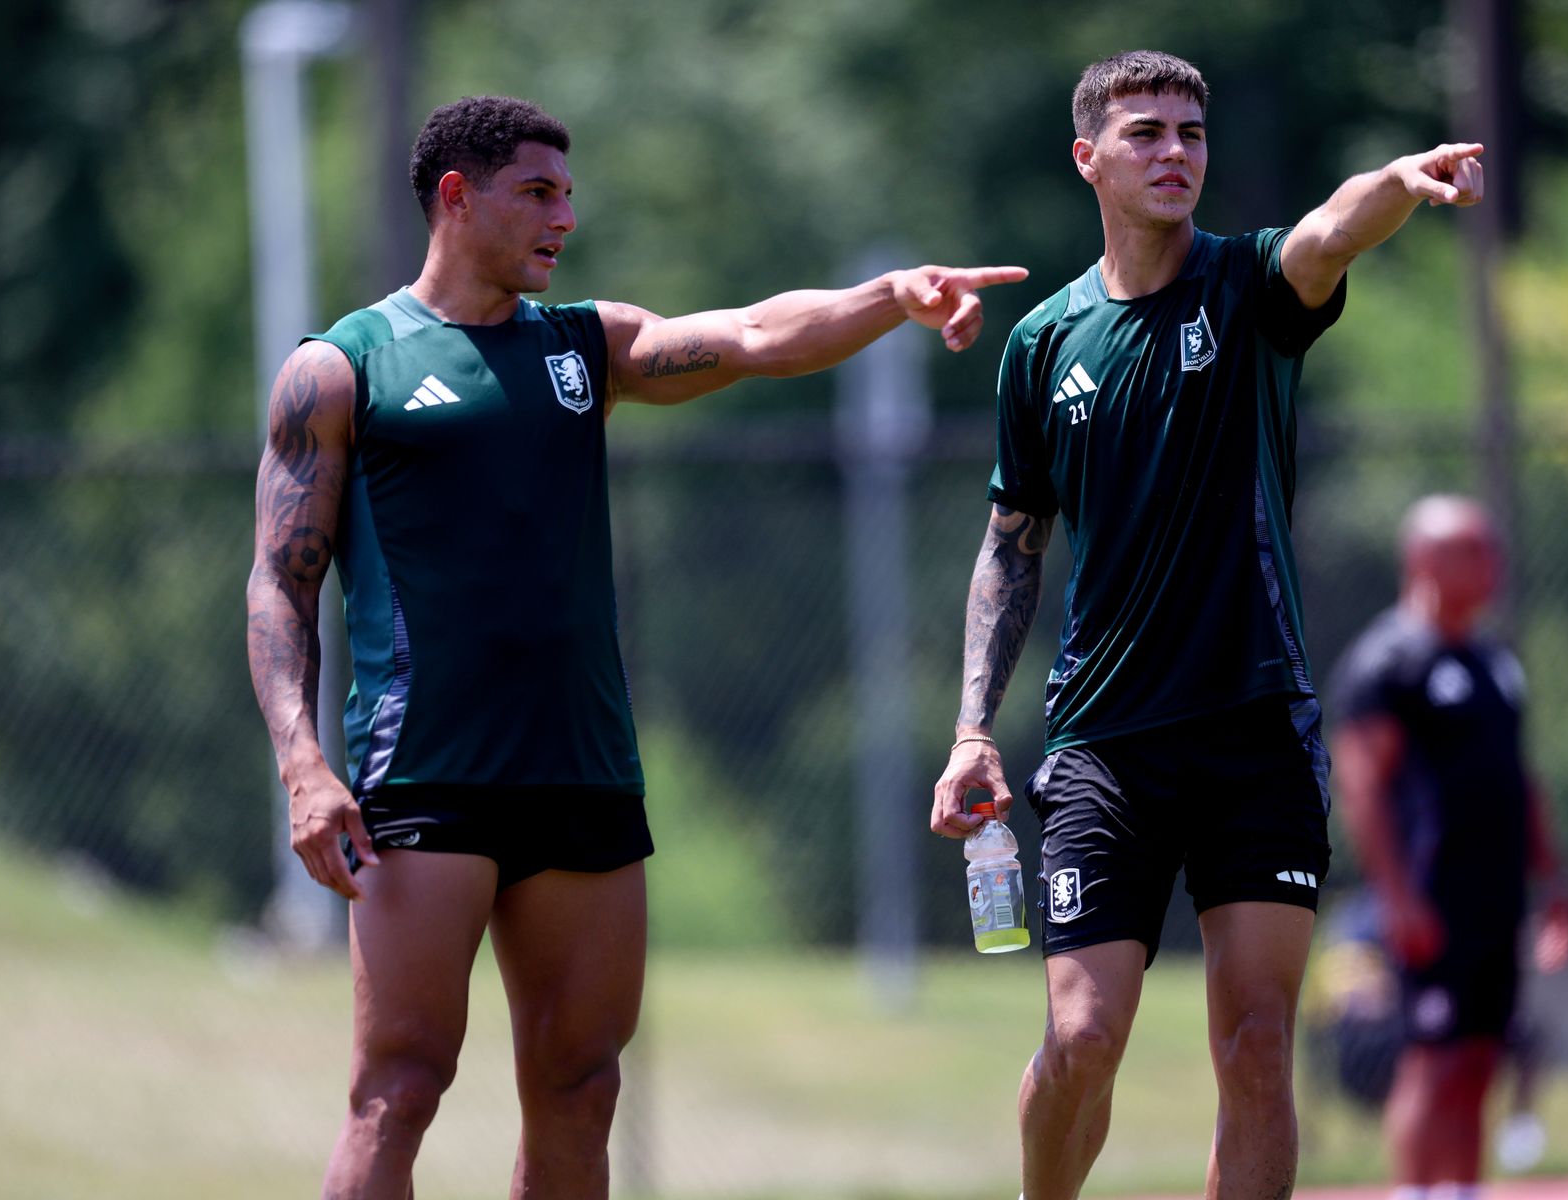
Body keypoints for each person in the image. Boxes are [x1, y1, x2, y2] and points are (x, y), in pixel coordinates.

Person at [246, 94, 1024, 1200]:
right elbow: (281, 581)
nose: (566, 215)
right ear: (456, 198)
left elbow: (753, 335)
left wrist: (889, 301)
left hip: (583, 772)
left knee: (581, 1085)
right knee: (401, 1086)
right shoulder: (342, 367)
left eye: (570, 193)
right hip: (422, 778)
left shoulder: (586, 347)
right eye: (539, 193)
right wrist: (301, 762)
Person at [928, 50, 1492, 1200]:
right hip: (1106, 747)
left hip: (1255, 737)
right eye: (1145, 133)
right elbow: (1012, 541)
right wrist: (972, 729)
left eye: (1191, 131)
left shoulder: (1247, 291)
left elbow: (1328, 233)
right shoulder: (1042, 345)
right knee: (1083, 1042)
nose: (1175, 151)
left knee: (1255, 1047)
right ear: (1088, 158)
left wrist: (1399, 177)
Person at [1329, 494, 1568, 1200]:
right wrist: (1398, 898)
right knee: (1431, 1061)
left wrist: (1555, 885)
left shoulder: (1494, 661)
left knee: (1479, 1059)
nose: (1492, 564)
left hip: (1495, 897)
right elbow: (1363, 789)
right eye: (1475, 550)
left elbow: (1520, 780)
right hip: (1430, 897)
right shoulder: (1387, 663)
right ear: (1426, 559)